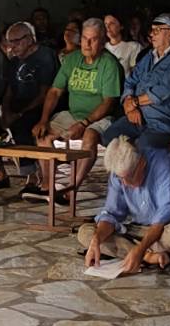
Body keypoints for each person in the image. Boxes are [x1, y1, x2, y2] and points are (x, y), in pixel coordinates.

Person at [79, 136, 170, 272]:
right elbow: (112, 214)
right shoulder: (119, 172)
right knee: (86, 233)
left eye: (129, 177)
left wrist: (141, 248)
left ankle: (136, 253)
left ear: (141, 163)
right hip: (140, 230)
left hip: (167, 228)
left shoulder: (165, 165)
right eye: (121, 179)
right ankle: (149, 257)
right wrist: (96, 239)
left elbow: (163, 217)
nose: (125, 183)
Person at [33, 18, 123, 196]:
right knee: (43, 135)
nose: (87, 44)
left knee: (90, 136)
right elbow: (55, 91)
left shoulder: (109, 64)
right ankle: (47, 185)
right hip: (73, 113)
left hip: (100, 117)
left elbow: (108, 102)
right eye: (84, 38)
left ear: (102, 41)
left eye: (93, 39)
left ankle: (72, 189)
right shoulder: (72, 59)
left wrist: (84, 123)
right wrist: (43, 119)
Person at [102, 15, 170, 149]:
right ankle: (135, 161)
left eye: (157, 30)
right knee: (109, 137)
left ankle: (147, 161)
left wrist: (135, 102)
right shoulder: (149, 57)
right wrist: (128, 103)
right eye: (152, 30)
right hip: (140, 118)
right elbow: (130, 81)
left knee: (144, 144)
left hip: (166, 122)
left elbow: (162, 91)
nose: (152, 34)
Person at [0, 21, 59, 195]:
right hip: (18, 104)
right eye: (9, 42)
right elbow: (9, 90)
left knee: (22, 125)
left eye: (16, 41)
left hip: (40, 105)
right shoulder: (14, 61)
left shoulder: (45, 56)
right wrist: (5, 112)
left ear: (29, 39)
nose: (12, 46)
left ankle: (32, 176)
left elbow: (45, 93)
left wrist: (18, 114)